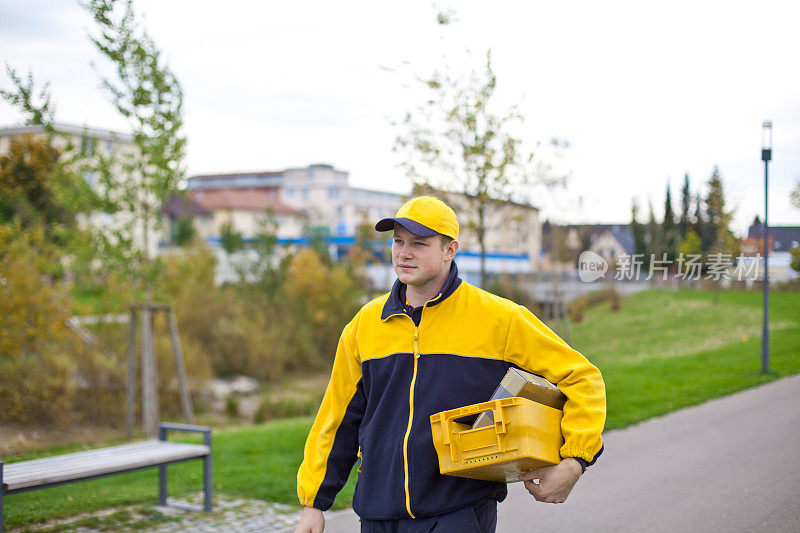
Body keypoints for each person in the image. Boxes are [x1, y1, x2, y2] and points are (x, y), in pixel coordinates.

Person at [295, 196, 605, 533]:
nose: (404, 253)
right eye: (398, 241)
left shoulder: (499, 318)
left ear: (450, 250)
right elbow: (337, 417)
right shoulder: (365, 325)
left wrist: (574, 461)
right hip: (378, 514)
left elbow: (582, 378)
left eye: (419, 243)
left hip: (459, 511)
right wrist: (314, 503)